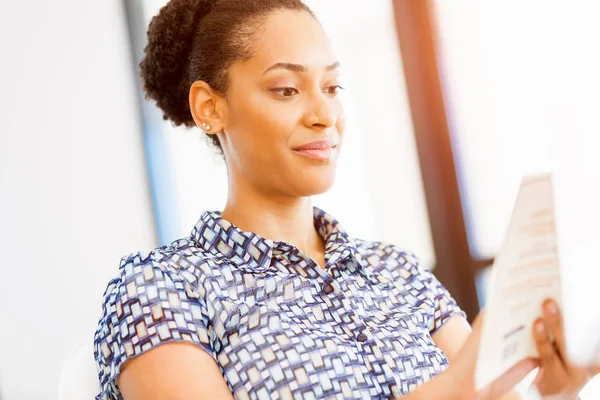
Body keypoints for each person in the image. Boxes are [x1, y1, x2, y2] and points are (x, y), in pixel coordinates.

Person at [93, 0, 599, 399]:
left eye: (332, 86)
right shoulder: (161, 290)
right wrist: (450, 392)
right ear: (210, 107)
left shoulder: (395, 272)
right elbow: (462, 390)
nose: (324, 114)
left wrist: (555, 392)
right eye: (287, 89)